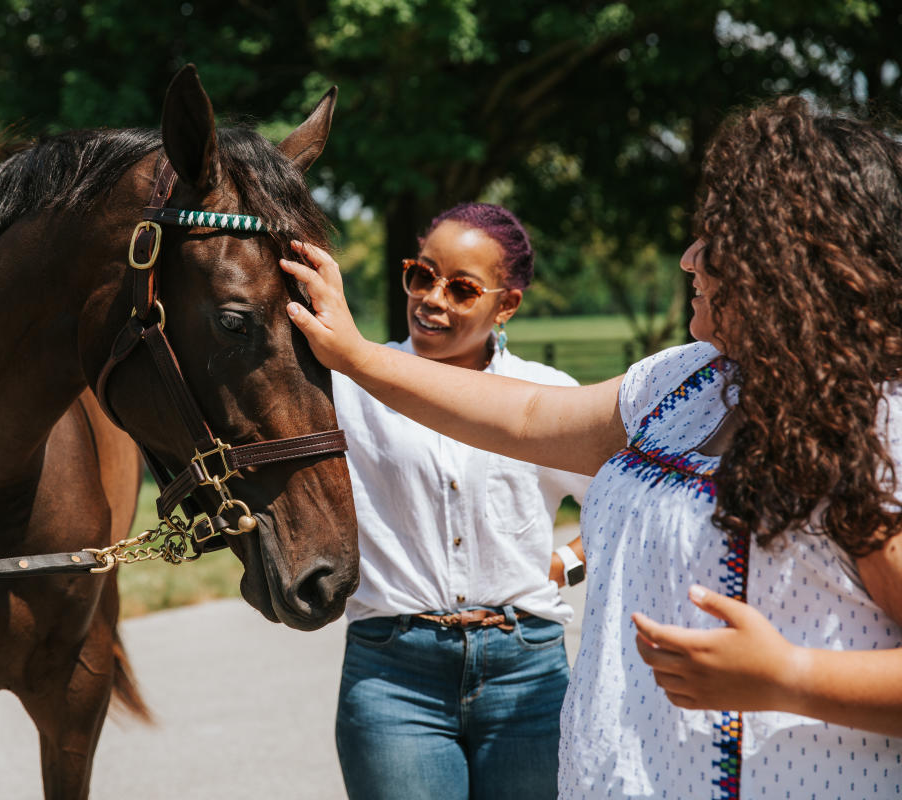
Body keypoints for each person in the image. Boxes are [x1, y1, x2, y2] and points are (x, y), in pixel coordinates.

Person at [280, 95, 902, 797]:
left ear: (792, 264)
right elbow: (527, 415)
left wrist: (792, 676)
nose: (689, 258)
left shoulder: (877, 430)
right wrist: (355, 354)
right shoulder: (686, 381)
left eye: (719, 240)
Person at [332, 203, 590, 800]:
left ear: (507, 305)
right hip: (394, 675)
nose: (432, 298)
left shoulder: (548, 395)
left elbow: (624, 506)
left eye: (462, 288)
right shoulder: (351, 388)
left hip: (525, 668)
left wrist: (564, 563)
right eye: (422, 275)